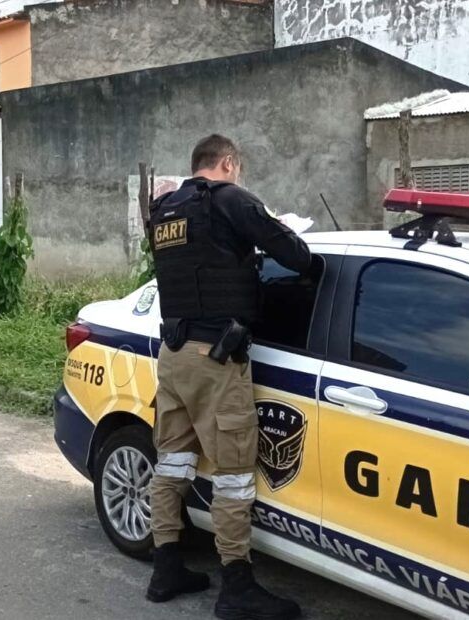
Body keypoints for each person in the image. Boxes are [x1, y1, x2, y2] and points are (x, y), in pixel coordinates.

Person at [145, 135, 312, 620]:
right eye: (236, 170)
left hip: (174, 355)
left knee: (172, 462)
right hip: (217, 359)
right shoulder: (231, 198)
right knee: (234, 474)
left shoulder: (167, 210)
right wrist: (284, 233)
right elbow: (297, 256)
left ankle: (166, 567)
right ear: (228, 163)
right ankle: (236, 585)